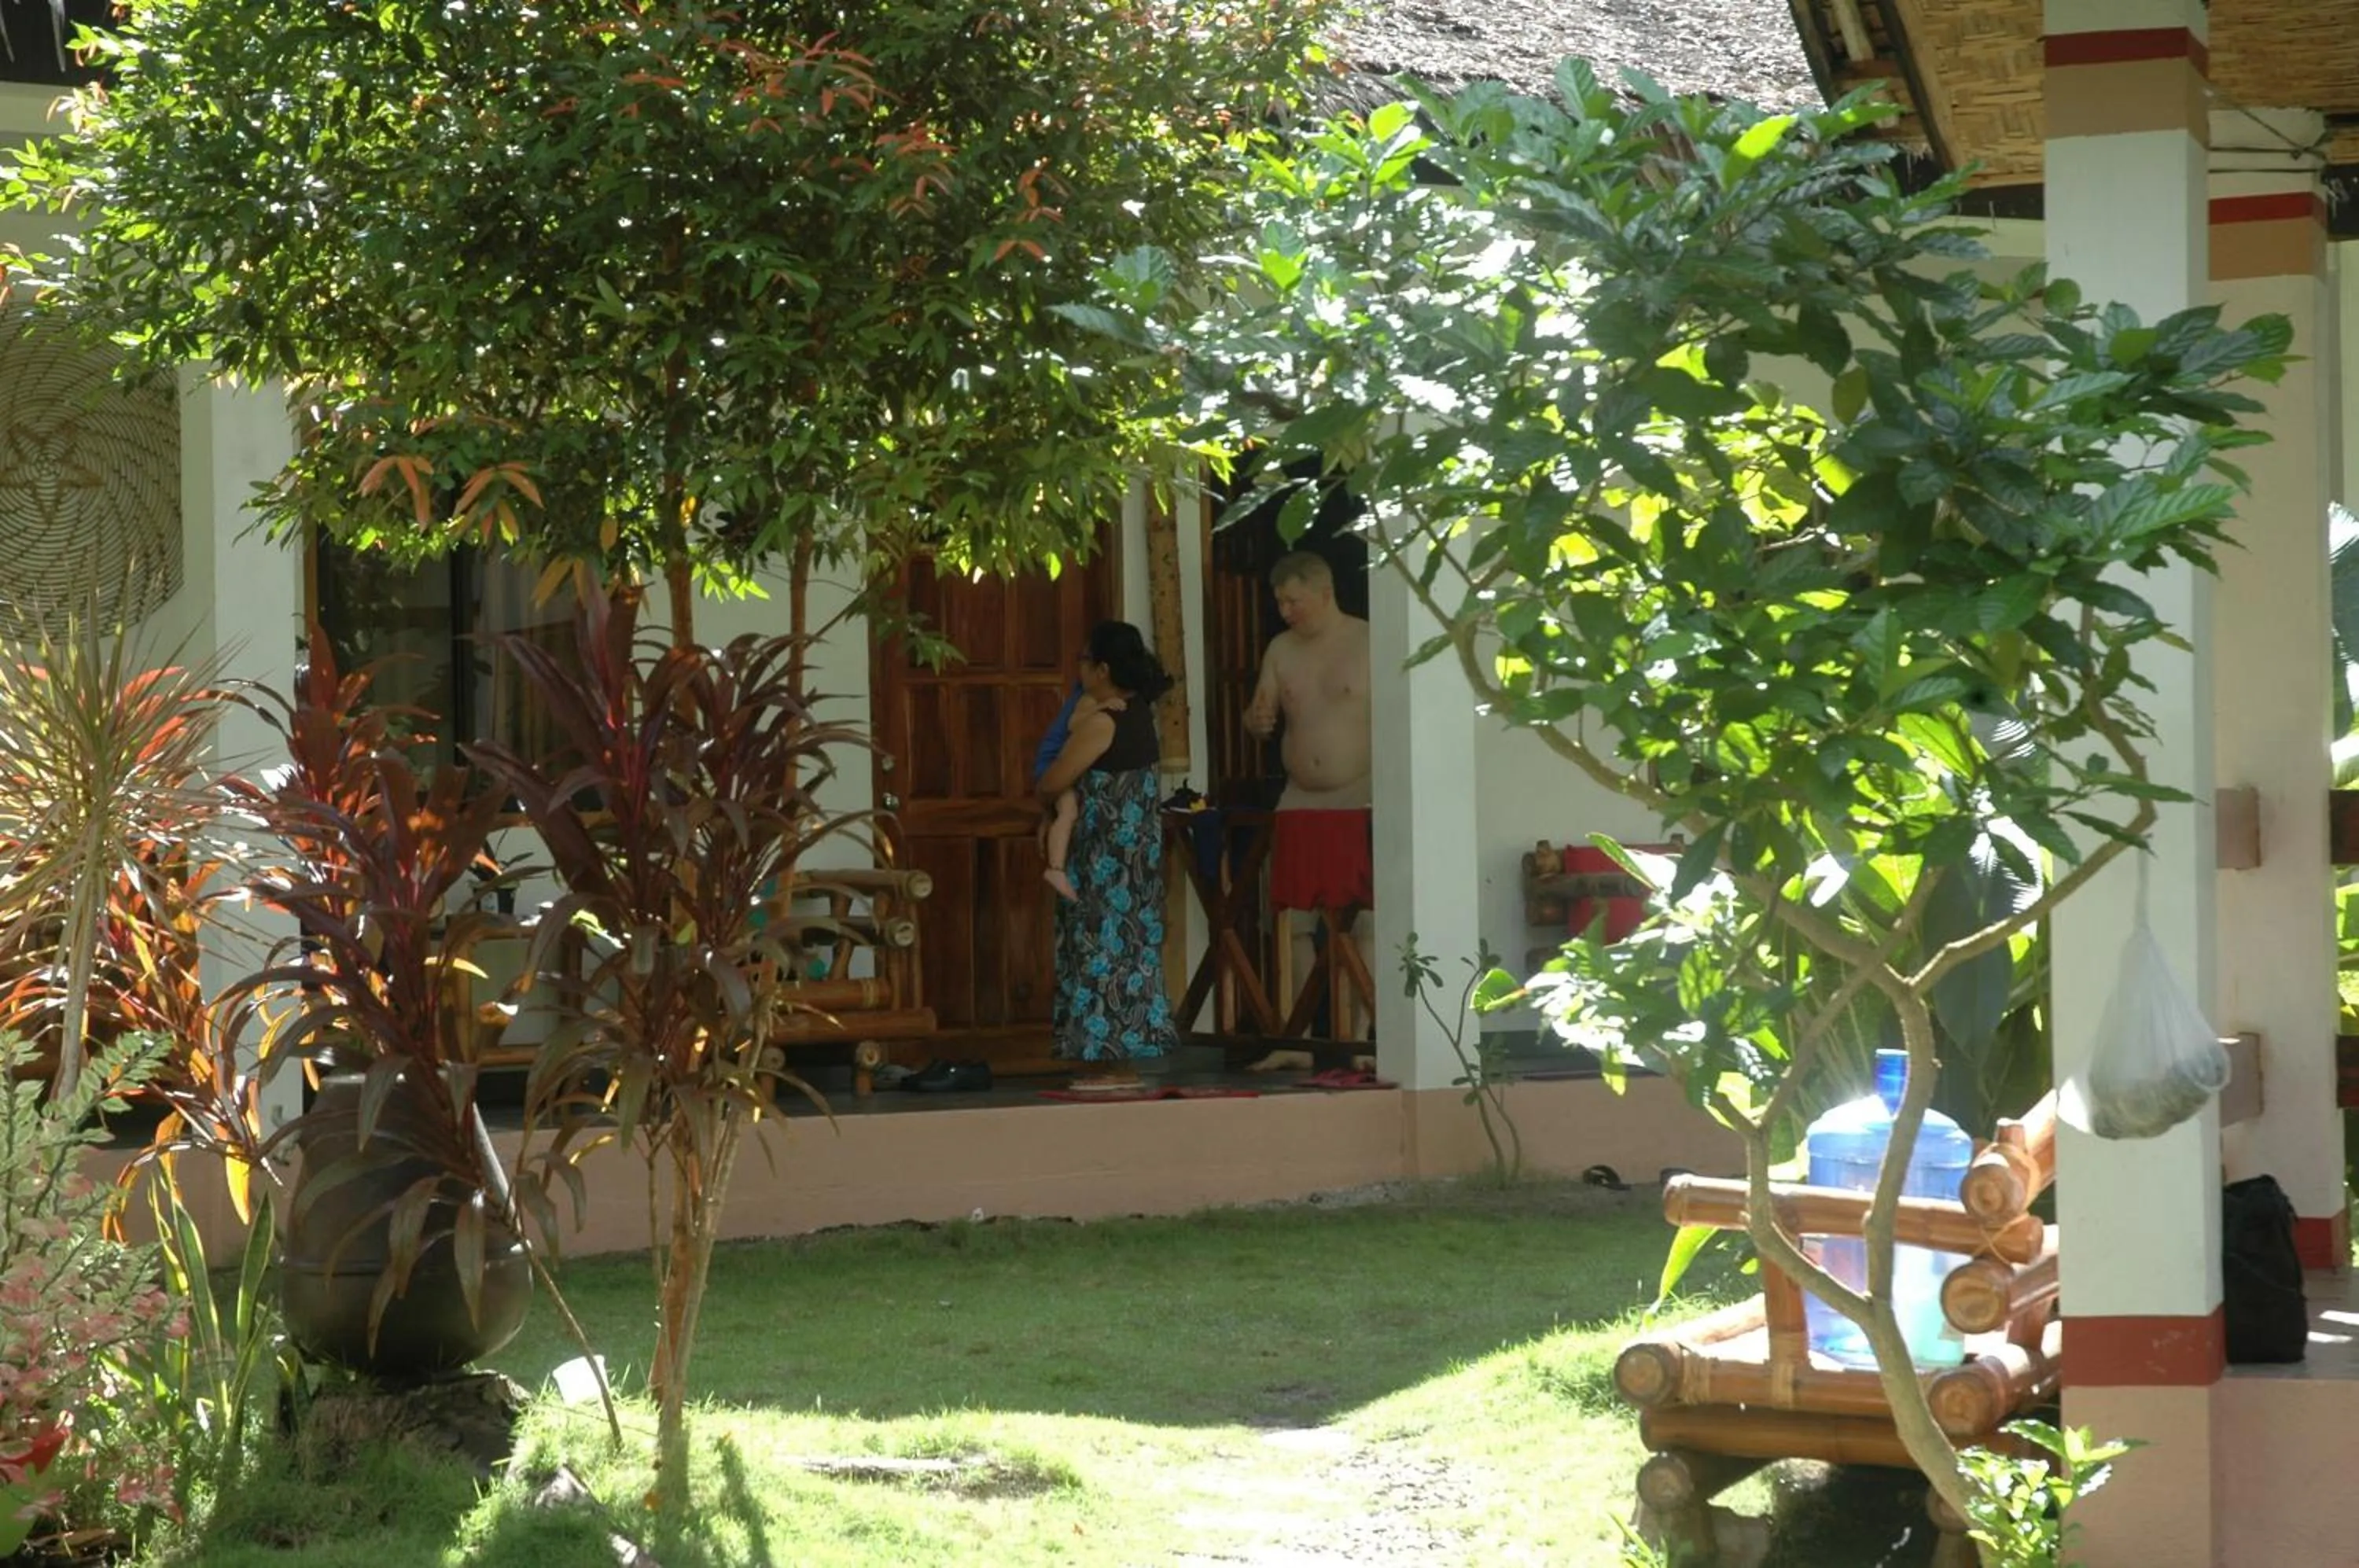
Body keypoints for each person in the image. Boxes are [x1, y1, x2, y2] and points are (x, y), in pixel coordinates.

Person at [1242, 551, 1375, 1067]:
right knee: (1292, 920)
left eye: (1293, 601)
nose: (1285, 611)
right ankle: (1296, 1040)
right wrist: (1255, 722)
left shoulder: (1368, 641)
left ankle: (1360, 1039)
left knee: (1364, 918)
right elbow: (1260, 712)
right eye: (1279, 602)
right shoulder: (1280, 648)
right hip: (1299, 797)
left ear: (1325, 593)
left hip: (1360, 793)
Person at [1036, 620, 1180, 1062]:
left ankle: (1103, 1054)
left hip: (1106, 863)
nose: (1078, 671)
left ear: (1102, 669)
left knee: (1099, 953)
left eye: (1084, 661)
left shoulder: (1103, 723)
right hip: (1136, 862)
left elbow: (1052, 779)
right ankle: (1128, 1050)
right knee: (1132, 952)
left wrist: (1054, 803)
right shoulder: (1138, 713)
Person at [1032, 679, 1125, 903]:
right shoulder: (1088, 696)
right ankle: (1055, 869)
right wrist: (1102, 707)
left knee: (1068, 811)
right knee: (1068, 812)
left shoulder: (1086, 694)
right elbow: (1074, 724)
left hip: (1057, 761)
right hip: (1052, 765)